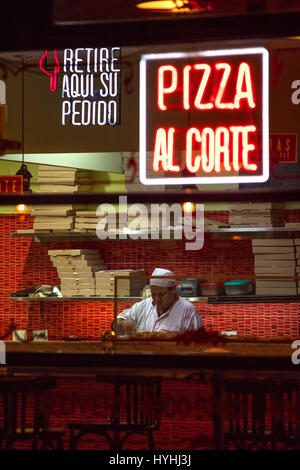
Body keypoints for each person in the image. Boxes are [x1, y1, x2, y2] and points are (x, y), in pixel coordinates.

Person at [115, 268, 203, 334]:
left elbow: (198, 345)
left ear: (173, 290)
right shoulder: (142, 306)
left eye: (161, 294)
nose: (157, 299)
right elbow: (116, 322)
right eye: (153, 294)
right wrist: (122, 323)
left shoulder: (188, 311)